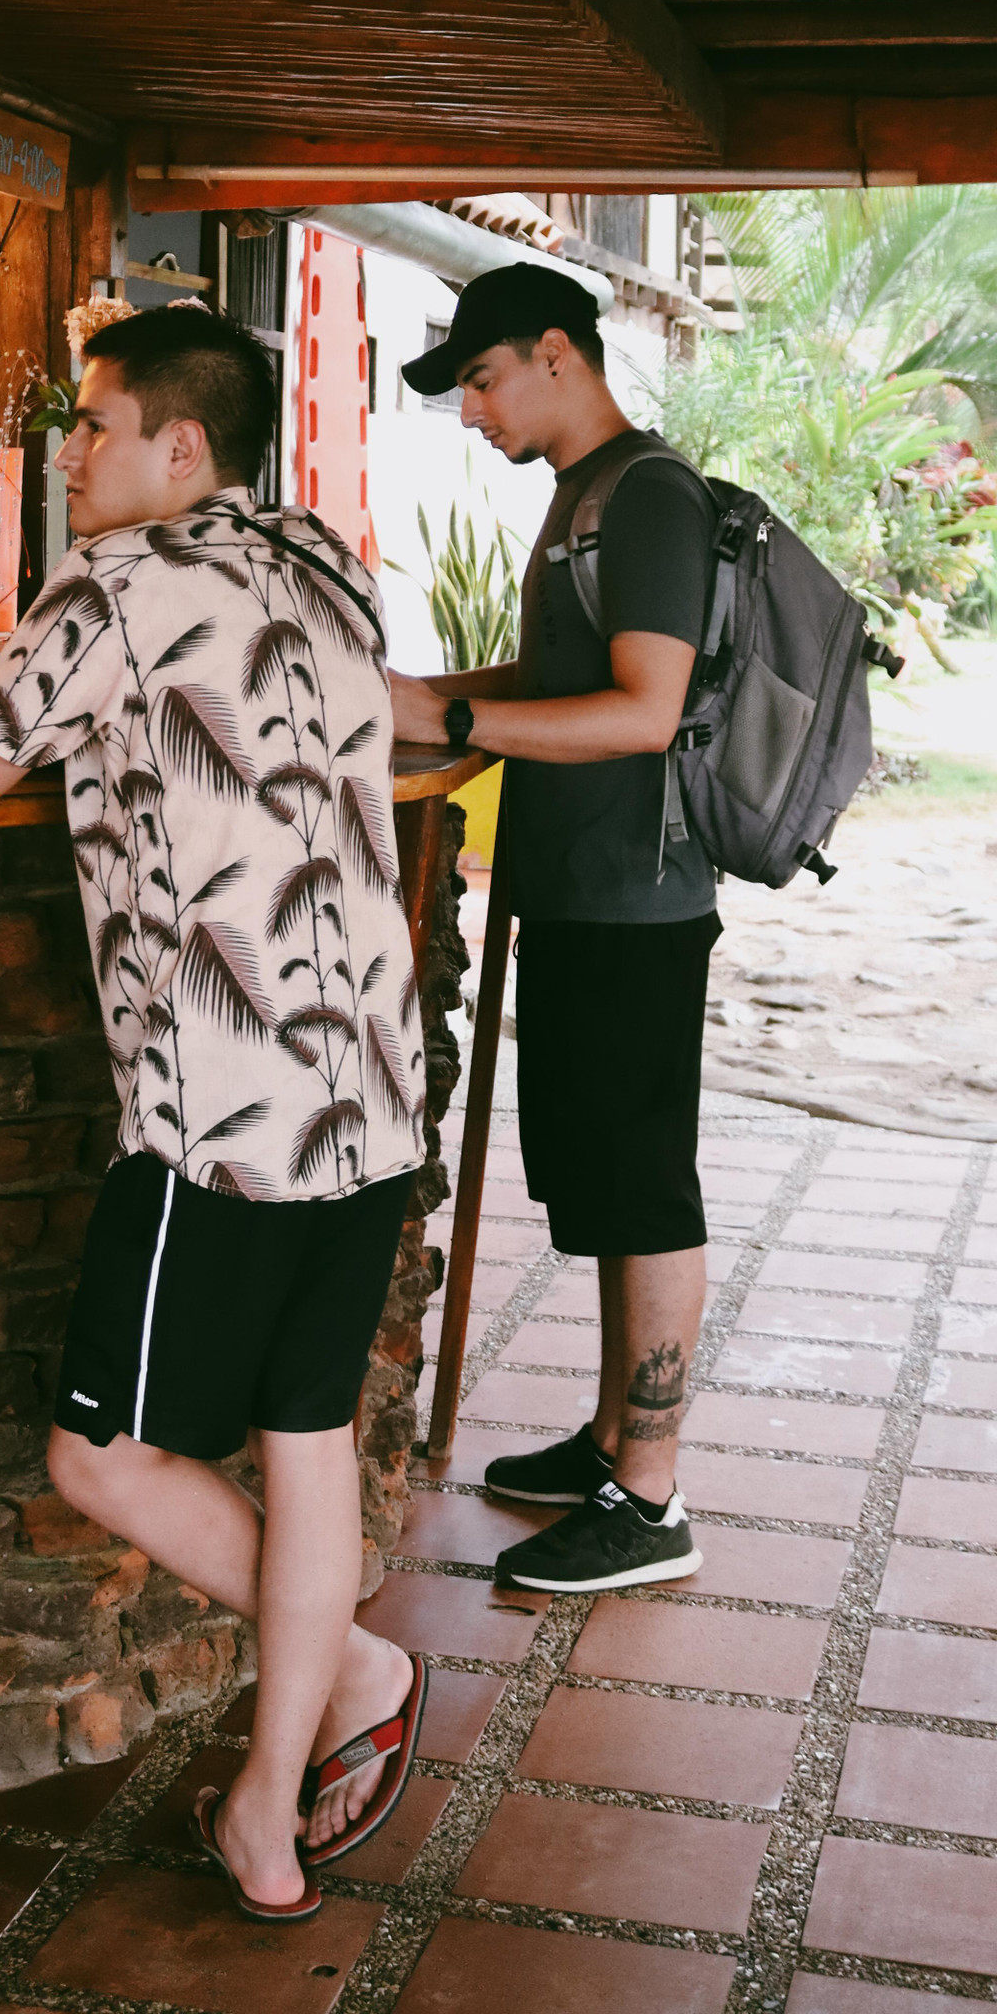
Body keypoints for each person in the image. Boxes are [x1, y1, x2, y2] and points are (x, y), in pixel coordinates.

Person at [0, 305, 426, 1923]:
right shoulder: (328, 557)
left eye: (87, 424)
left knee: (100, 1457)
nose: (63, 451)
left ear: (178, 446)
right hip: (370, 1094)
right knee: (309, 1452)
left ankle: (349, 1668)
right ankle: (272, 1815)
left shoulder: (116, 584)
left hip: (222, 1114)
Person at [392, 262, 717, 1595]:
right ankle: (607, 1442)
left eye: (481, 380)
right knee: (599, 1183)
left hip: (640, 900)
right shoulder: (581, 498)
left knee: (645, 1191)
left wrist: (453, 724)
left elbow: (644, 709)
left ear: (557, 354)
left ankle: (651, 1499)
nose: (474, 414)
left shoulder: (648, 497)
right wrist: (424, 695)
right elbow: (557, 678)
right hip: (580, 893)